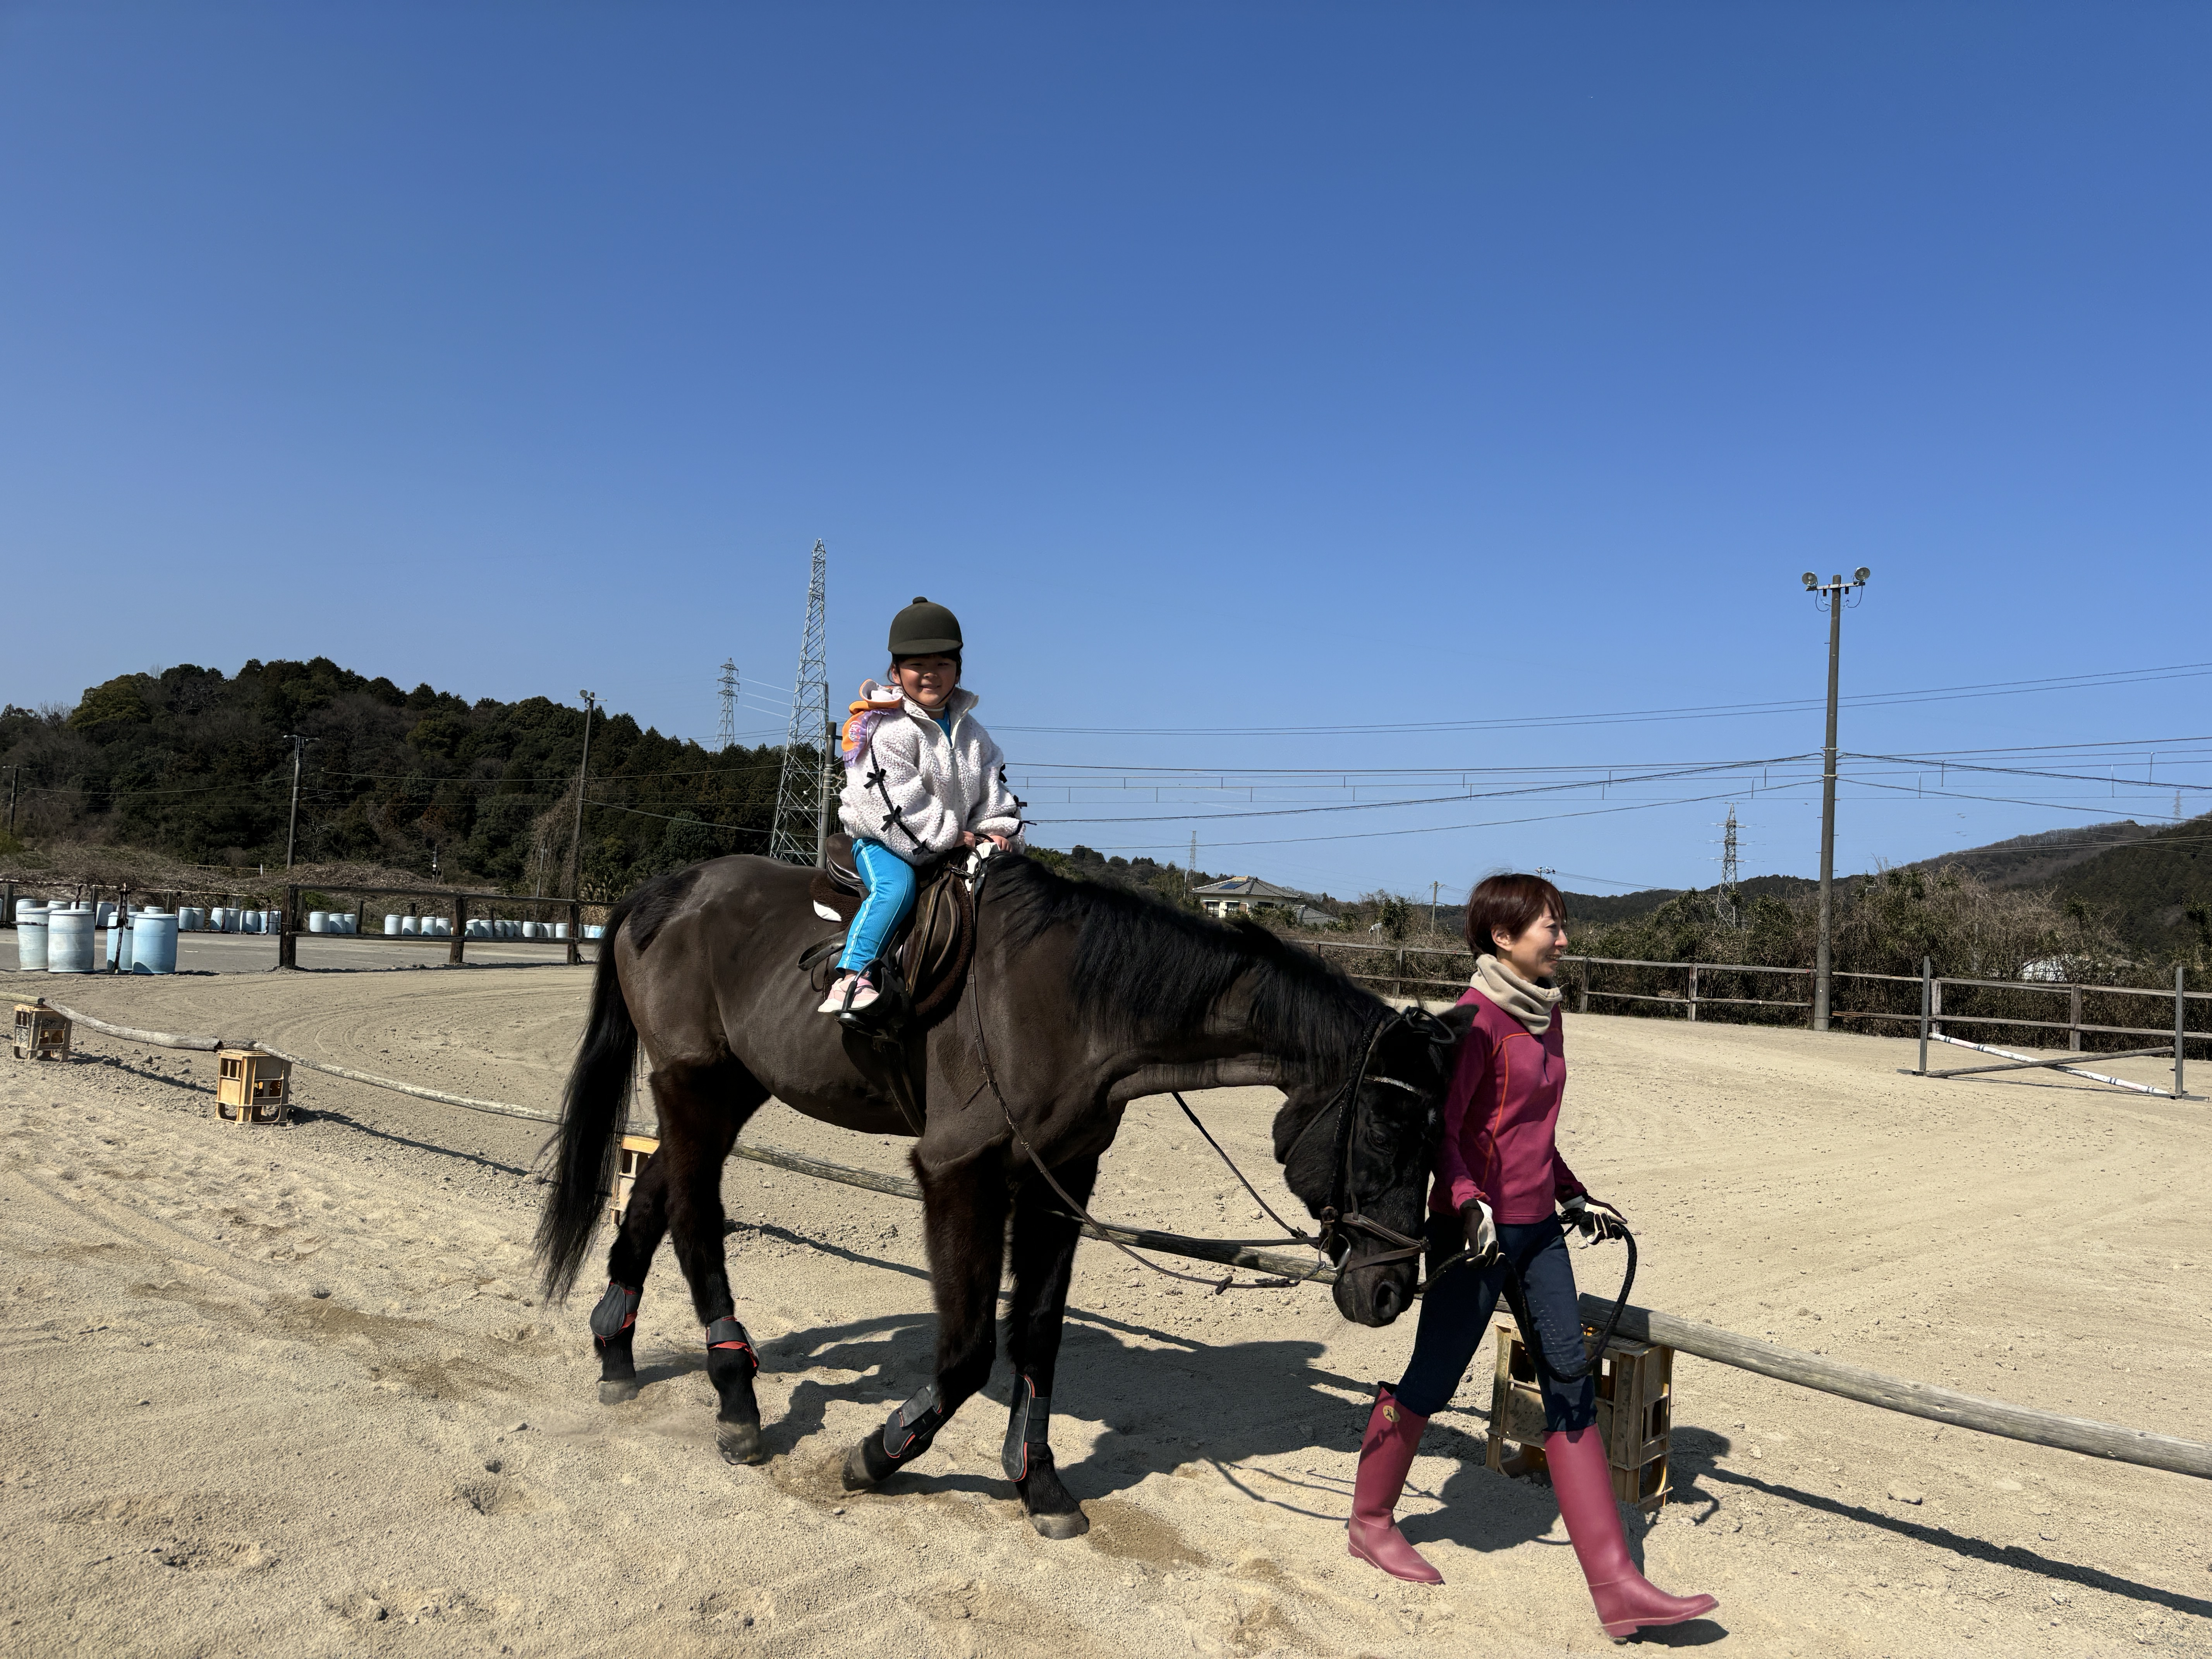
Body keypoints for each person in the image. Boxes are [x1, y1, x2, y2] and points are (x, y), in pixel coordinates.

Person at [1344, 872, 1717, 1642]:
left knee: (1570, 1386)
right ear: (1502, 936)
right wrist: (1467, 1199)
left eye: (1561, 923)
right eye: (1551, 925)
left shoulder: (1547, 1016)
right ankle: (1370, 1520)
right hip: (1474, 1234)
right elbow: (1446, 1132)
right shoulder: (1474, 1022)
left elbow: (1532, 1129)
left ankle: (1617, 1585)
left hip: (1539, 1231)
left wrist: (1575, 1193)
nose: (1563, 938)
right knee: (1432, 1379)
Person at [820, 596, 1024, 1018]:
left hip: (955, 842)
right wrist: (950, 836)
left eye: (943, 663)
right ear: (896, 672)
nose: (931, 673)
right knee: (897, 889)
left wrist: (997, 830)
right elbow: (892, 800)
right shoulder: (885, 728)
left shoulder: (975, 734)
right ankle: (852, 977)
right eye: (917, 664)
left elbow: (991, 787)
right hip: (885, 843)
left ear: (958, 670)